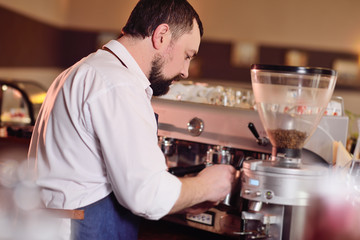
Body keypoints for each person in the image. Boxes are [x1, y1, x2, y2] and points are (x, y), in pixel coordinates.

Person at [28, 0, 236, 239]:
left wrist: (184, 198)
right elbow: (147, 195)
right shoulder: (118, 84)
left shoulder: (84, 70)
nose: (185, 71)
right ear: (162, 35)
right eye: (187, 56)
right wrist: (210, 185)